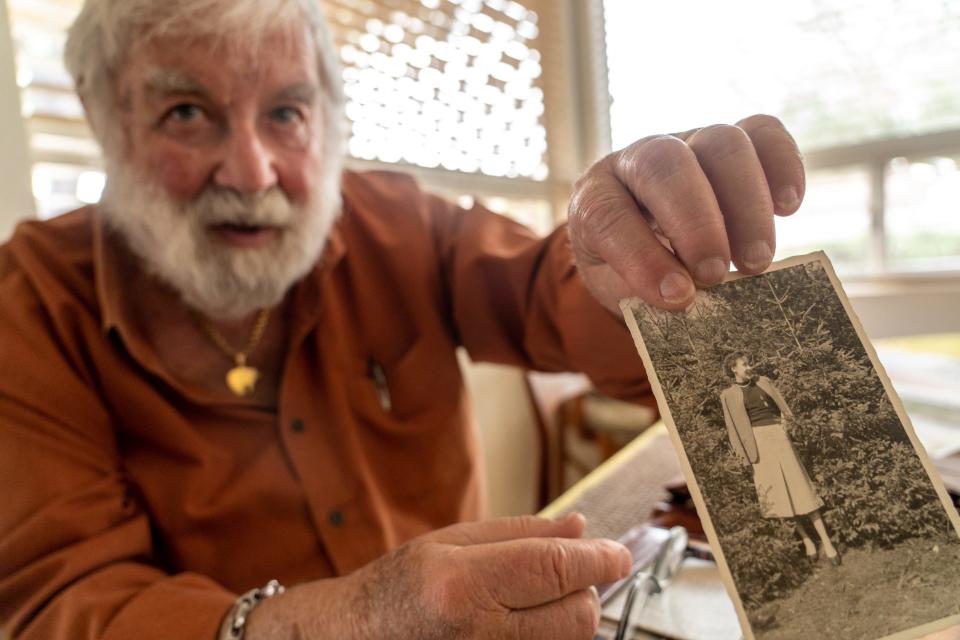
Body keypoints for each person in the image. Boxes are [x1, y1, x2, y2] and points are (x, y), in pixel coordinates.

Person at [0, 0, 808, 638]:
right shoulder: (29, 306)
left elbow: (551, 291)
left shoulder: (399, 224)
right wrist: (336, 624)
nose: (251, 172)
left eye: (285, 113)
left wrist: (638, 260)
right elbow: (56, 601)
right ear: (103, 115)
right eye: (186, 112)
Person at [719, 352, 840, 566]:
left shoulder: (764, 381)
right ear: (733, 369)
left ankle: (827, 543)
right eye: (744, 364)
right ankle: (807, 541)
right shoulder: (728, 395)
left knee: (800, 487)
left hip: (778, 436)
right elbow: (733, 430)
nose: (749, 367)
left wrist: (785, 426)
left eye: (749, 362)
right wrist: (743, 459)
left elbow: (783, 407)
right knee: (780, 495)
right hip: (756, 447)